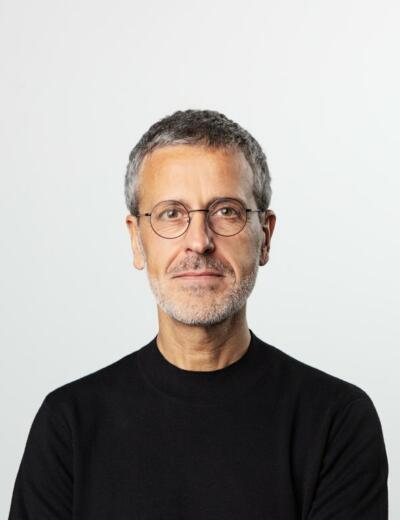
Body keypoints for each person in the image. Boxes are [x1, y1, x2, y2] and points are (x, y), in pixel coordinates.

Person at [8, 109, 389, 519]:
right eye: (171, 213)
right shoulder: (69, 425)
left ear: (265, 237)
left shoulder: (336, 420)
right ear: (137, 241)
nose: (199, 241)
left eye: (226, 211)